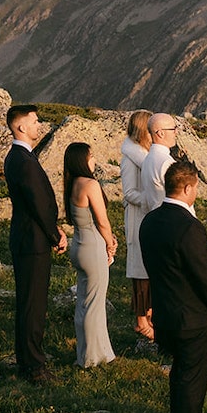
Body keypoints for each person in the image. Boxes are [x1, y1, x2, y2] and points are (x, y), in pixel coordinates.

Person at [139, 161, 207, 413]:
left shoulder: (149, 221)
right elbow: (205, 277)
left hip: (165, 313)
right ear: (189, 187)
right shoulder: (190, 227)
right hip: (192, 318)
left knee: (179, 375)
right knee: (192, 379)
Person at [3, 103, 65, 383]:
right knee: (33, 305)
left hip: (28, 238)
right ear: (21, 127)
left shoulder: (20, 157)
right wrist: (55, 234)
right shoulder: (23, 160)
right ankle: (34, 366)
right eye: (36, 121)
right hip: (32, 240)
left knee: (30, 302)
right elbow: (38, 203)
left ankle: (28, 360)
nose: (40, 125)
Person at [120, 110, 173, 341]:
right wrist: (150, 199)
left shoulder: (145, 155)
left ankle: (150, 315)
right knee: (141, 272)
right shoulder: (130, 157)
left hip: (150, 216)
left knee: (151, 269)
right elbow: (129, 191)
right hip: (139, 218)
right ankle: (142, 320)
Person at [64, 141, 117, 368]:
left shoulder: (71, 183)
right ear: (83, 160)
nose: (94, 159)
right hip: (92, 245)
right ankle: (93, 357)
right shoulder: (90, 184)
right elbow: (102, 221)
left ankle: (88, 353)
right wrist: (111, 243)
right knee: (95, 304)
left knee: (83, 303)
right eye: (91, 155)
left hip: (77, 244)